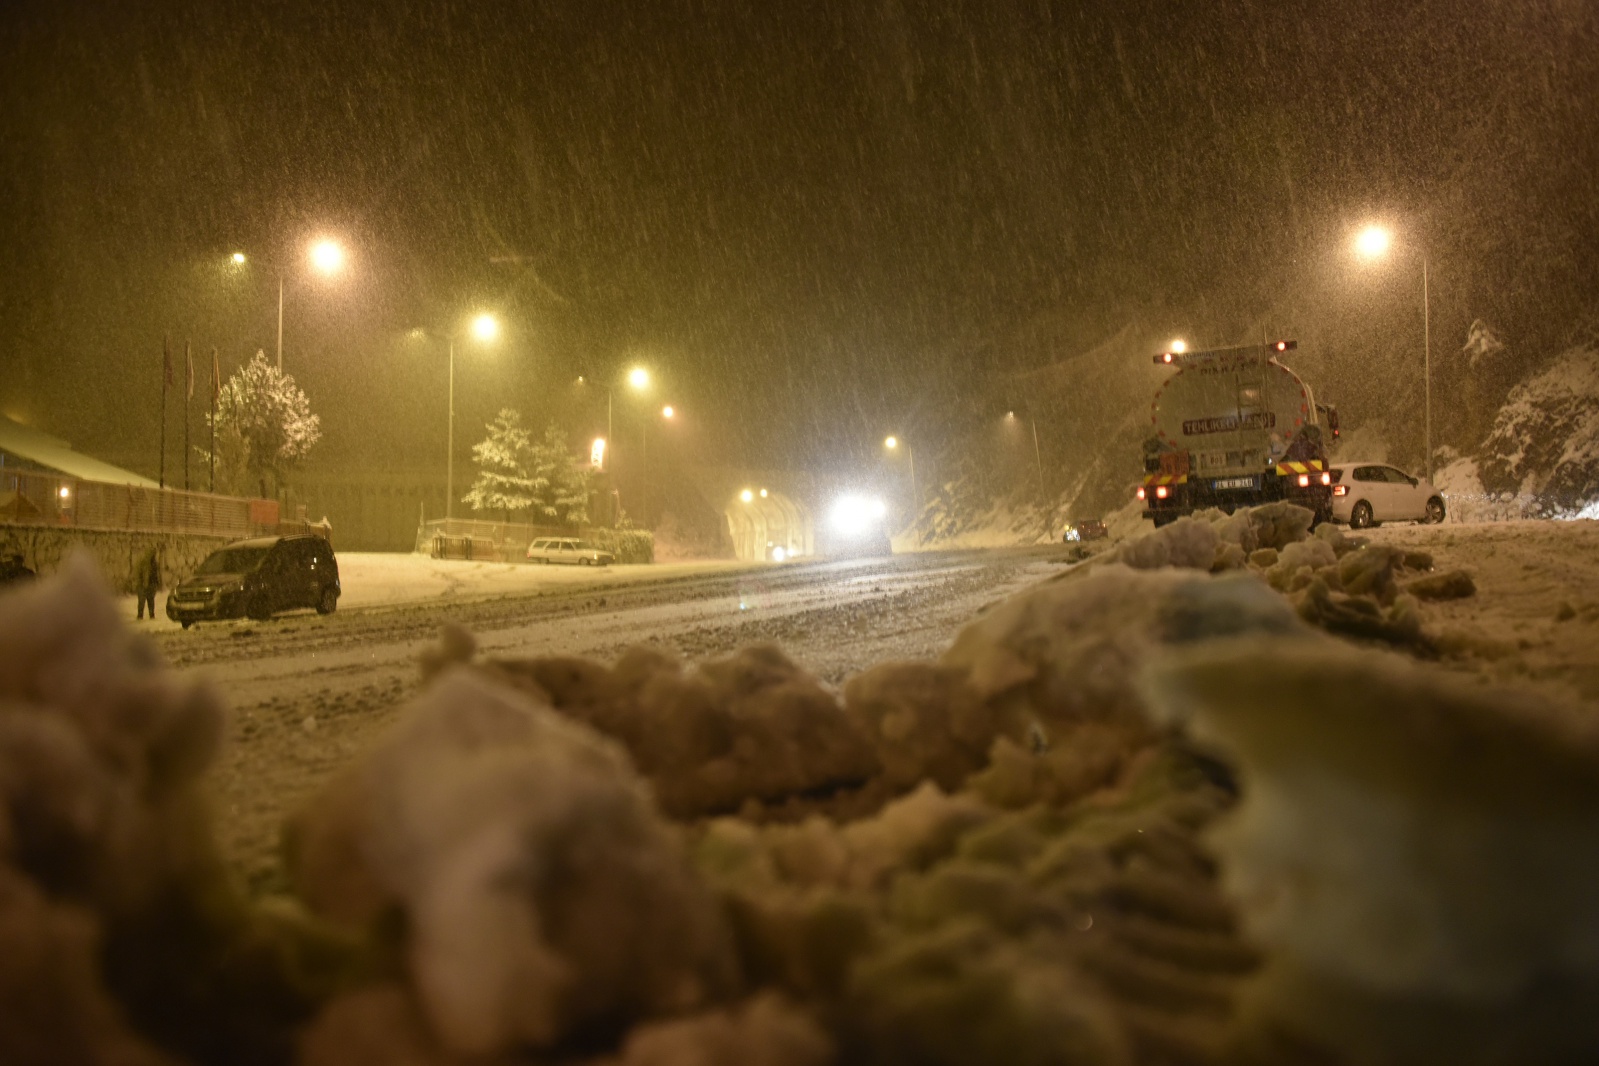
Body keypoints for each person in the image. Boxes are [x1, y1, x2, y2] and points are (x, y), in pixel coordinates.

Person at [137, 546, 161, 620]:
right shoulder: (144, 563)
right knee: (142, 601)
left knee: (151, 600)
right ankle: (140, 615)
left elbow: (157, 574)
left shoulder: (155, 563)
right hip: (144, 584)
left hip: (151, 584)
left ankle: (151, 615)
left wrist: (157, 583)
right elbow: (139, 573)